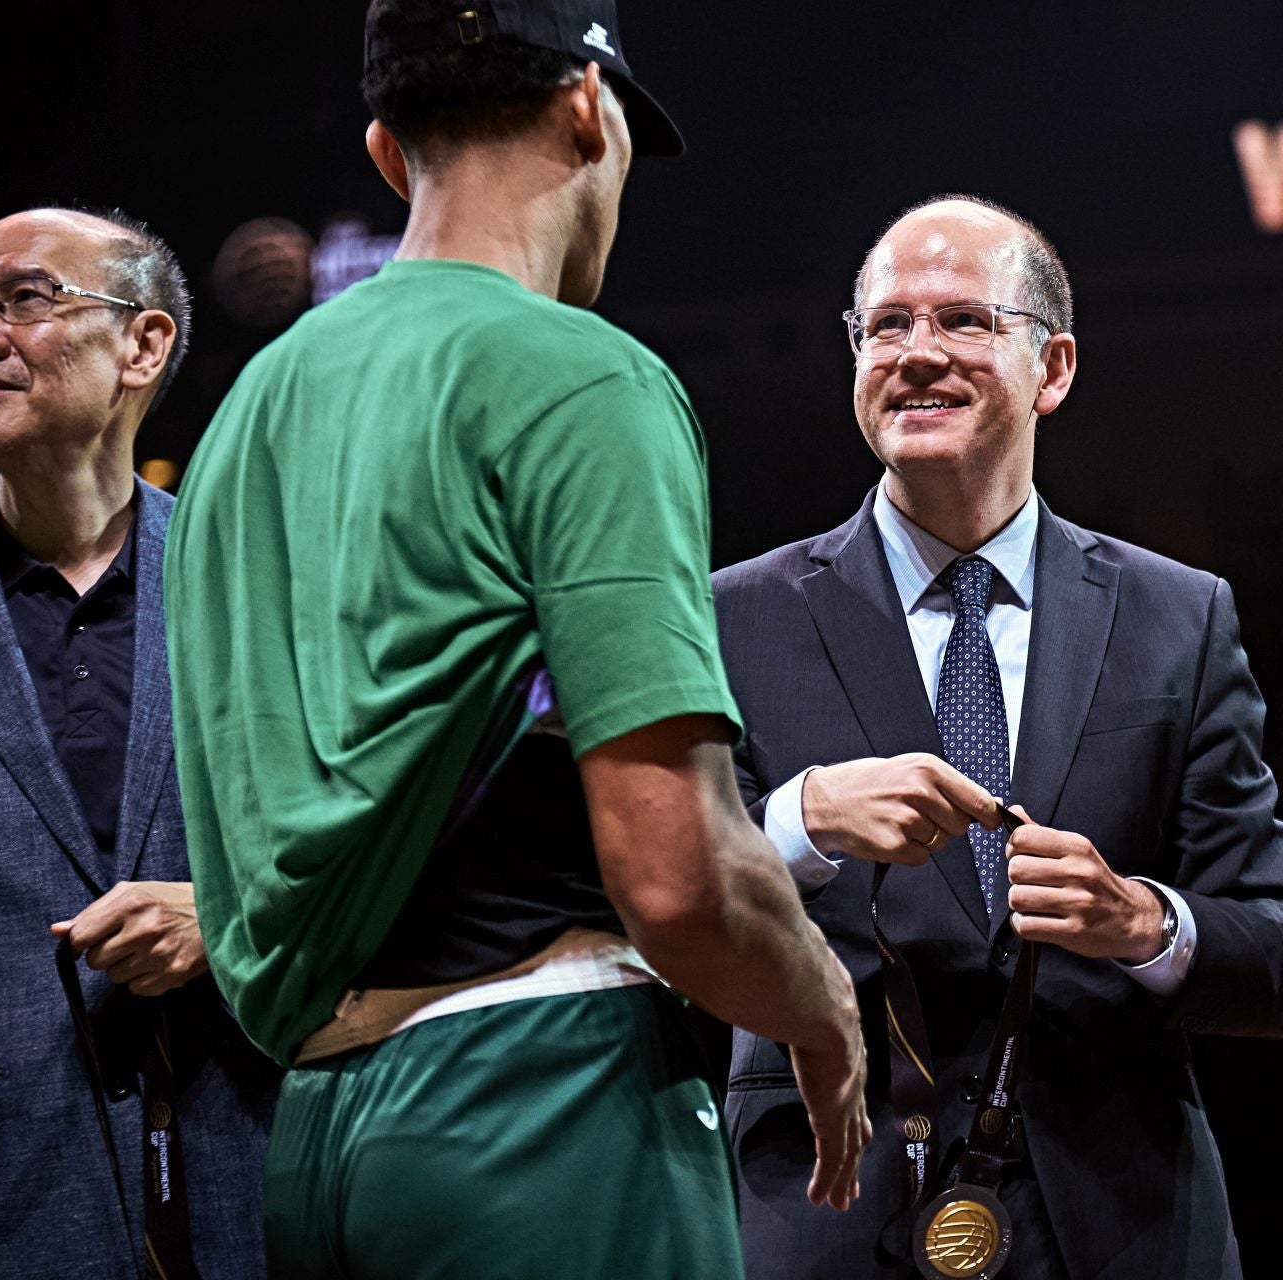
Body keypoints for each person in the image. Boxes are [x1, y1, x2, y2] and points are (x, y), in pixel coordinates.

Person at [162, 4, 867, 1279]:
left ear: (388, 149)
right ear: (589, 107)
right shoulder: (581, 374)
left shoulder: (240, 420)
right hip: (541, 1107)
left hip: (314, 1136)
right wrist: (820, 1006)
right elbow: (678, 876)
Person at [714, 194, 1283, 1280]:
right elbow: (648, 908)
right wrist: (798, 823)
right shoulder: (736, 614)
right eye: (886, 325)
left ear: (1053, 368)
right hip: (825, 1212)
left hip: (1119, 1222)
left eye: (962, 320)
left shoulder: (1177, 617)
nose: (916, 353)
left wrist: (1142, 919)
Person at [0, 207, 275, 1278]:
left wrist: (236, 922)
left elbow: (392, 856)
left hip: (265, 1197)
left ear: (144, 344)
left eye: (26, 298)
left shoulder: (267, 587)